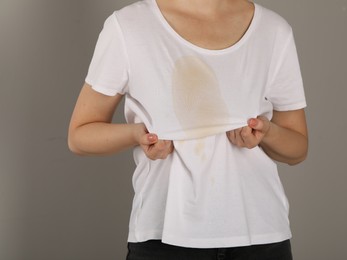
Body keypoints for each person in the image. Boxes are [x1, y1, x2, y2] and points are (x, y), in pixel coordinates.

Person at [68, 0, 308, 259]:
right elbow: (80, 136)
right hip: (163, 237)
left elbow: (298, 149)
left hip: (262, 237)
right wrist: (137, 134)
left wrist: (267, 132)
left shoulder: (272, 30)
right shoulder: (128, 26)